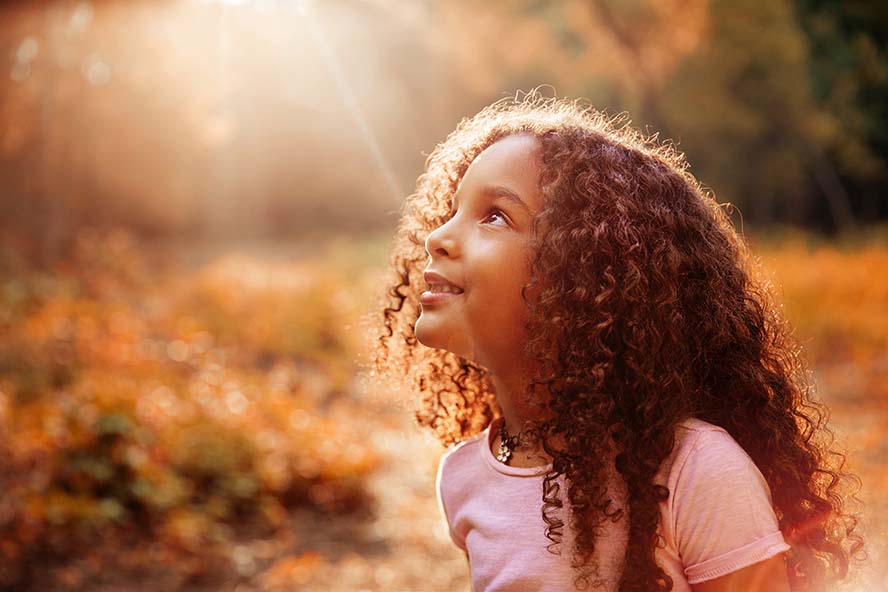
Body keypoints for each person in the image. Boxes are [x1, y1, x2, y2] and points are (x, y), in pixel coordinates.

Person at [369, 90, 862, 591]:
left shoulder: (698, 472)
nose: (438, 237)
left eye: (495, 215)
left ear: (582, 278)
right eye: (451, 212)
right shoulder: (464, 477)